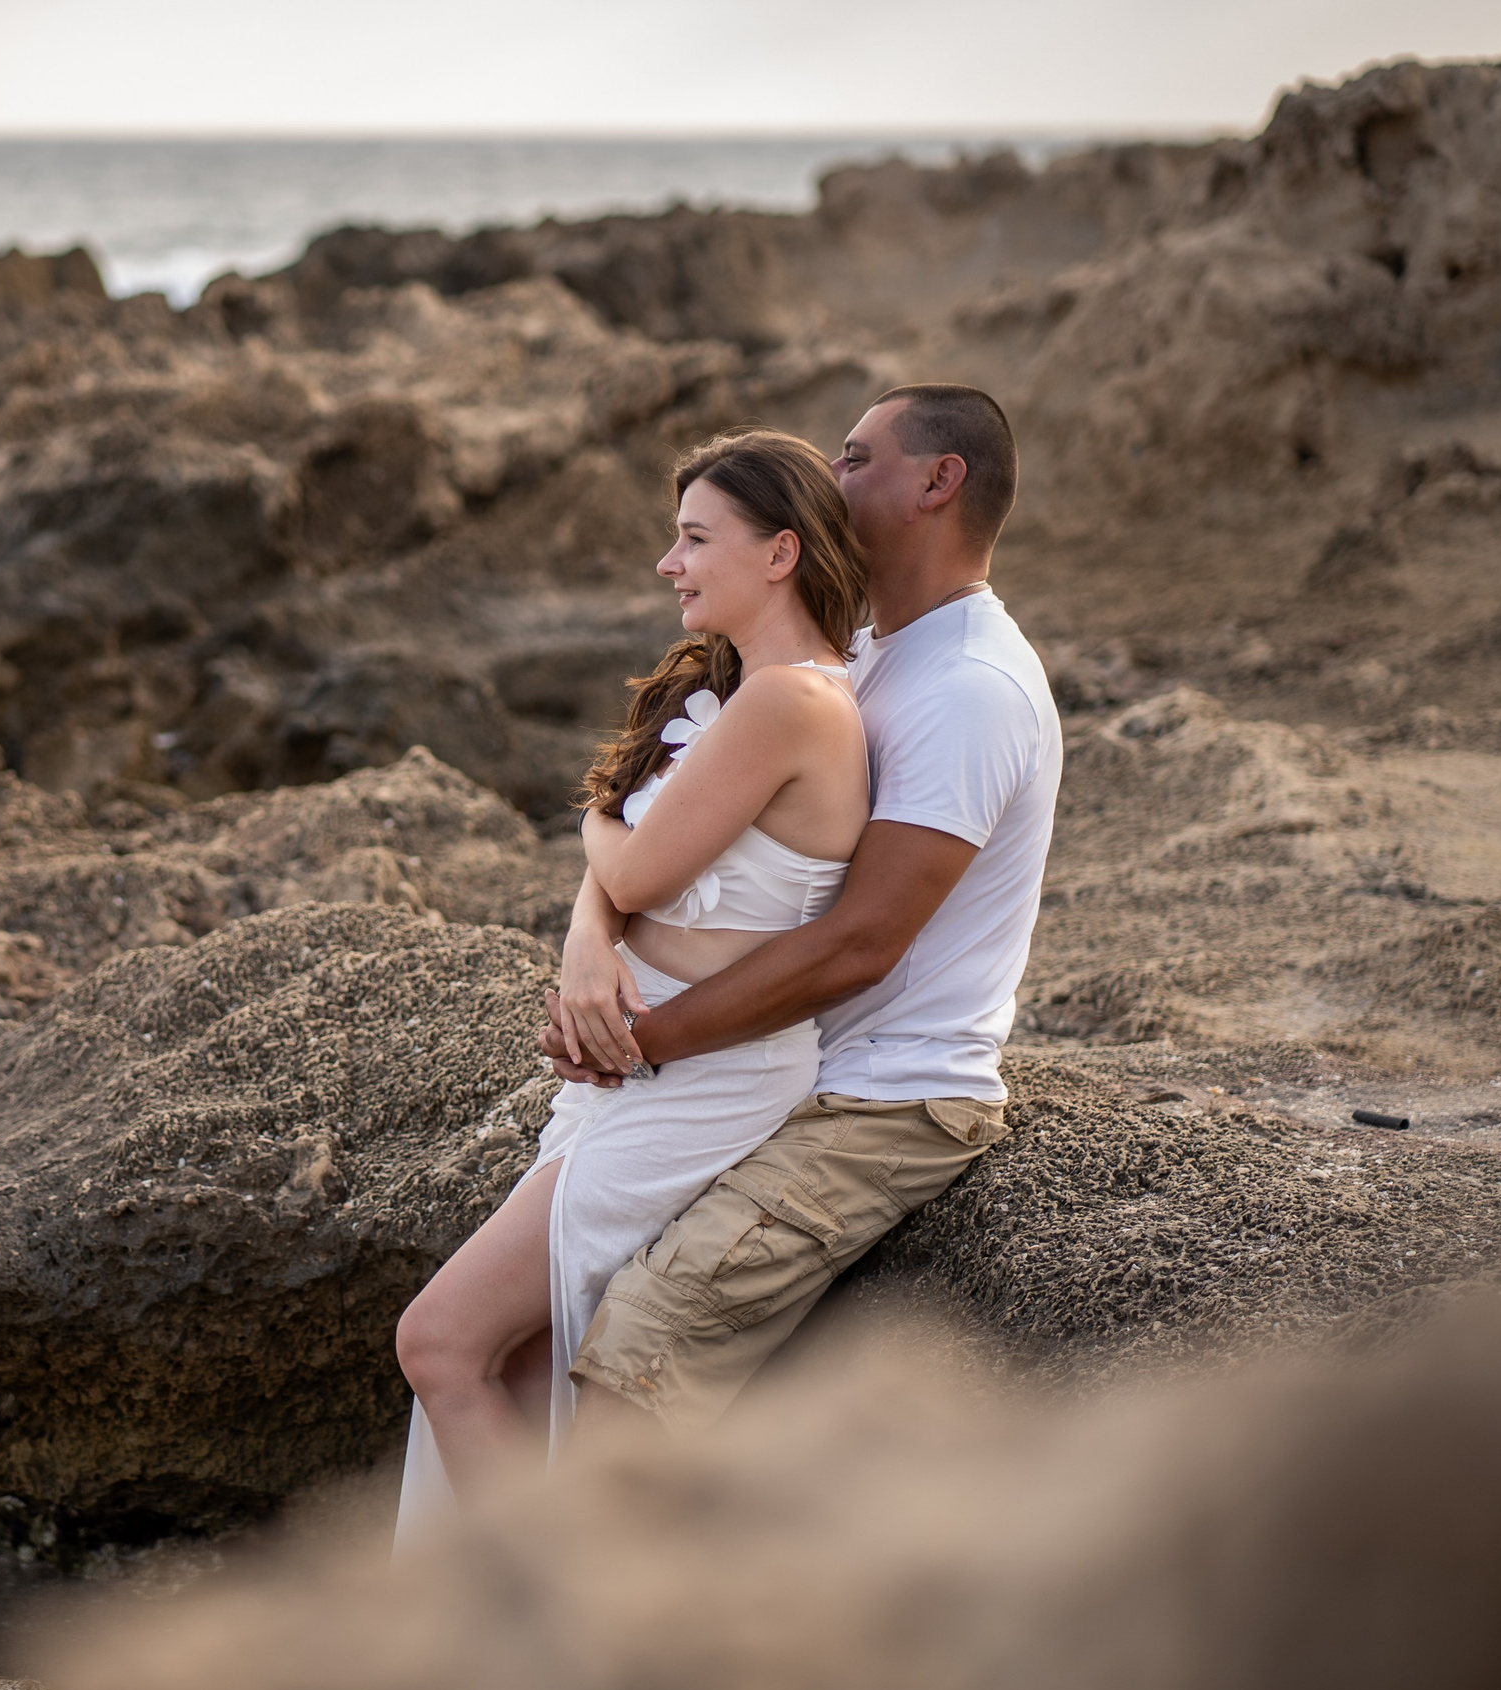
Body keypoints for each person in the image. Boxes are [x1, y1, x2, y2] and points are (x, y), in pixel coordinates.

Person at [542, 382, 1061, 1430]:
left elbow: (860, 944)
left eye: (856, 457)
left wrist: (643, 1043)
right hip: (783, 1062)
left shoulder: (971, 686)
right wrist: (588, 951)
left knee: (635, 1356)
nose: (832, 477)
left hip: (885, 1096)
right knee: (528, 1318)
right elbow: (644, 837)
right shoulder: (856, 656)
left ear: (937, 481)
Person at [392, 429, 872, 1544]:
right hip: (629, 1073)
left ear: (779, 554)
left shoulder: (790, 704)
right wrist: (585, 939)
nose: (669, 562)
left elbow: (634, 865)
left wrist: (592, 834)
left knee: (439, 1340)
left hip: (706, 1080)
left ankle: (558, 1618)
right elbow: (620, 883)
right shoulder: (737, 688)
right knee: (515, 1363)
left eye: (696, 538)